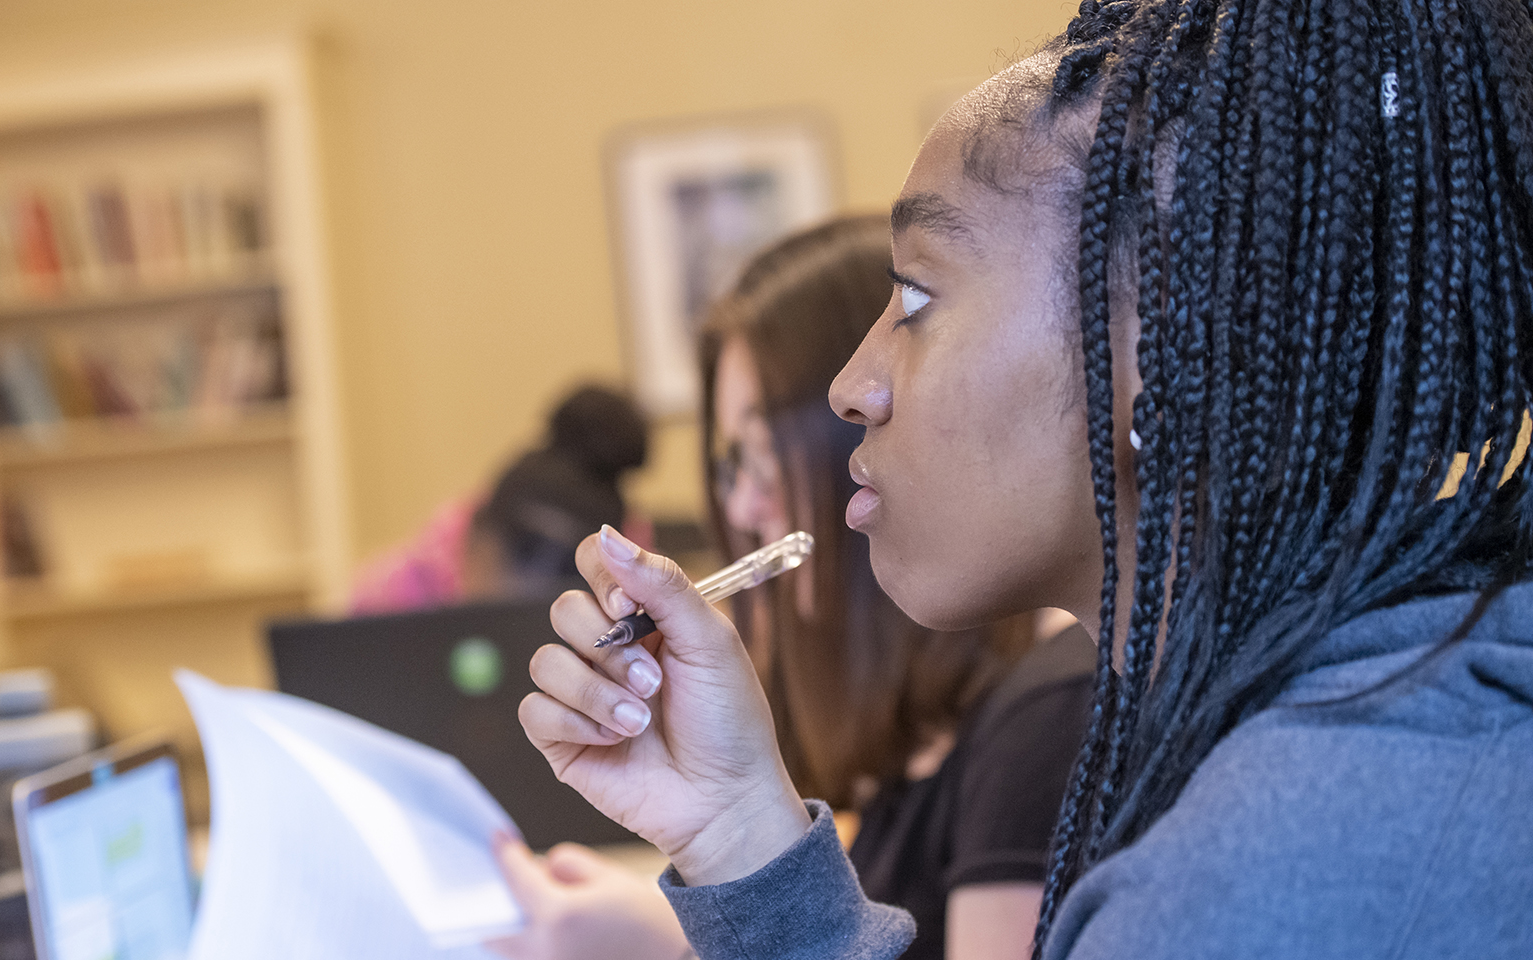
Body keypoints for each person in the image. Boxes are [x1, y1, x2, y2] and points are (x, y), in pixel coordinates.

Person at [516, 1, 1533, 958]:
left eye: (914, 295)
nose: (850, 385)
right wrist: (737, 829)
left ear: (1171, 348)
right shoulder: (1364, 717)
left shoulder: (1268, 871)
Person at [494, 217, 1094, 960]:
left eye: (760, 454)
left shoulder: (1045, 719)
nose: (742, 508)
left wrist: (671, 938)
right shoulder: (911, 740)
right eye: (730, 464)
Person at [348, 384, 651, 613]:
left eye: (566, 569)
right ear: (474, 540)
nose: (533, 587)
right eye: (524, 551)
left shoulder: (636, 581)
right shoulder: (385, 601)